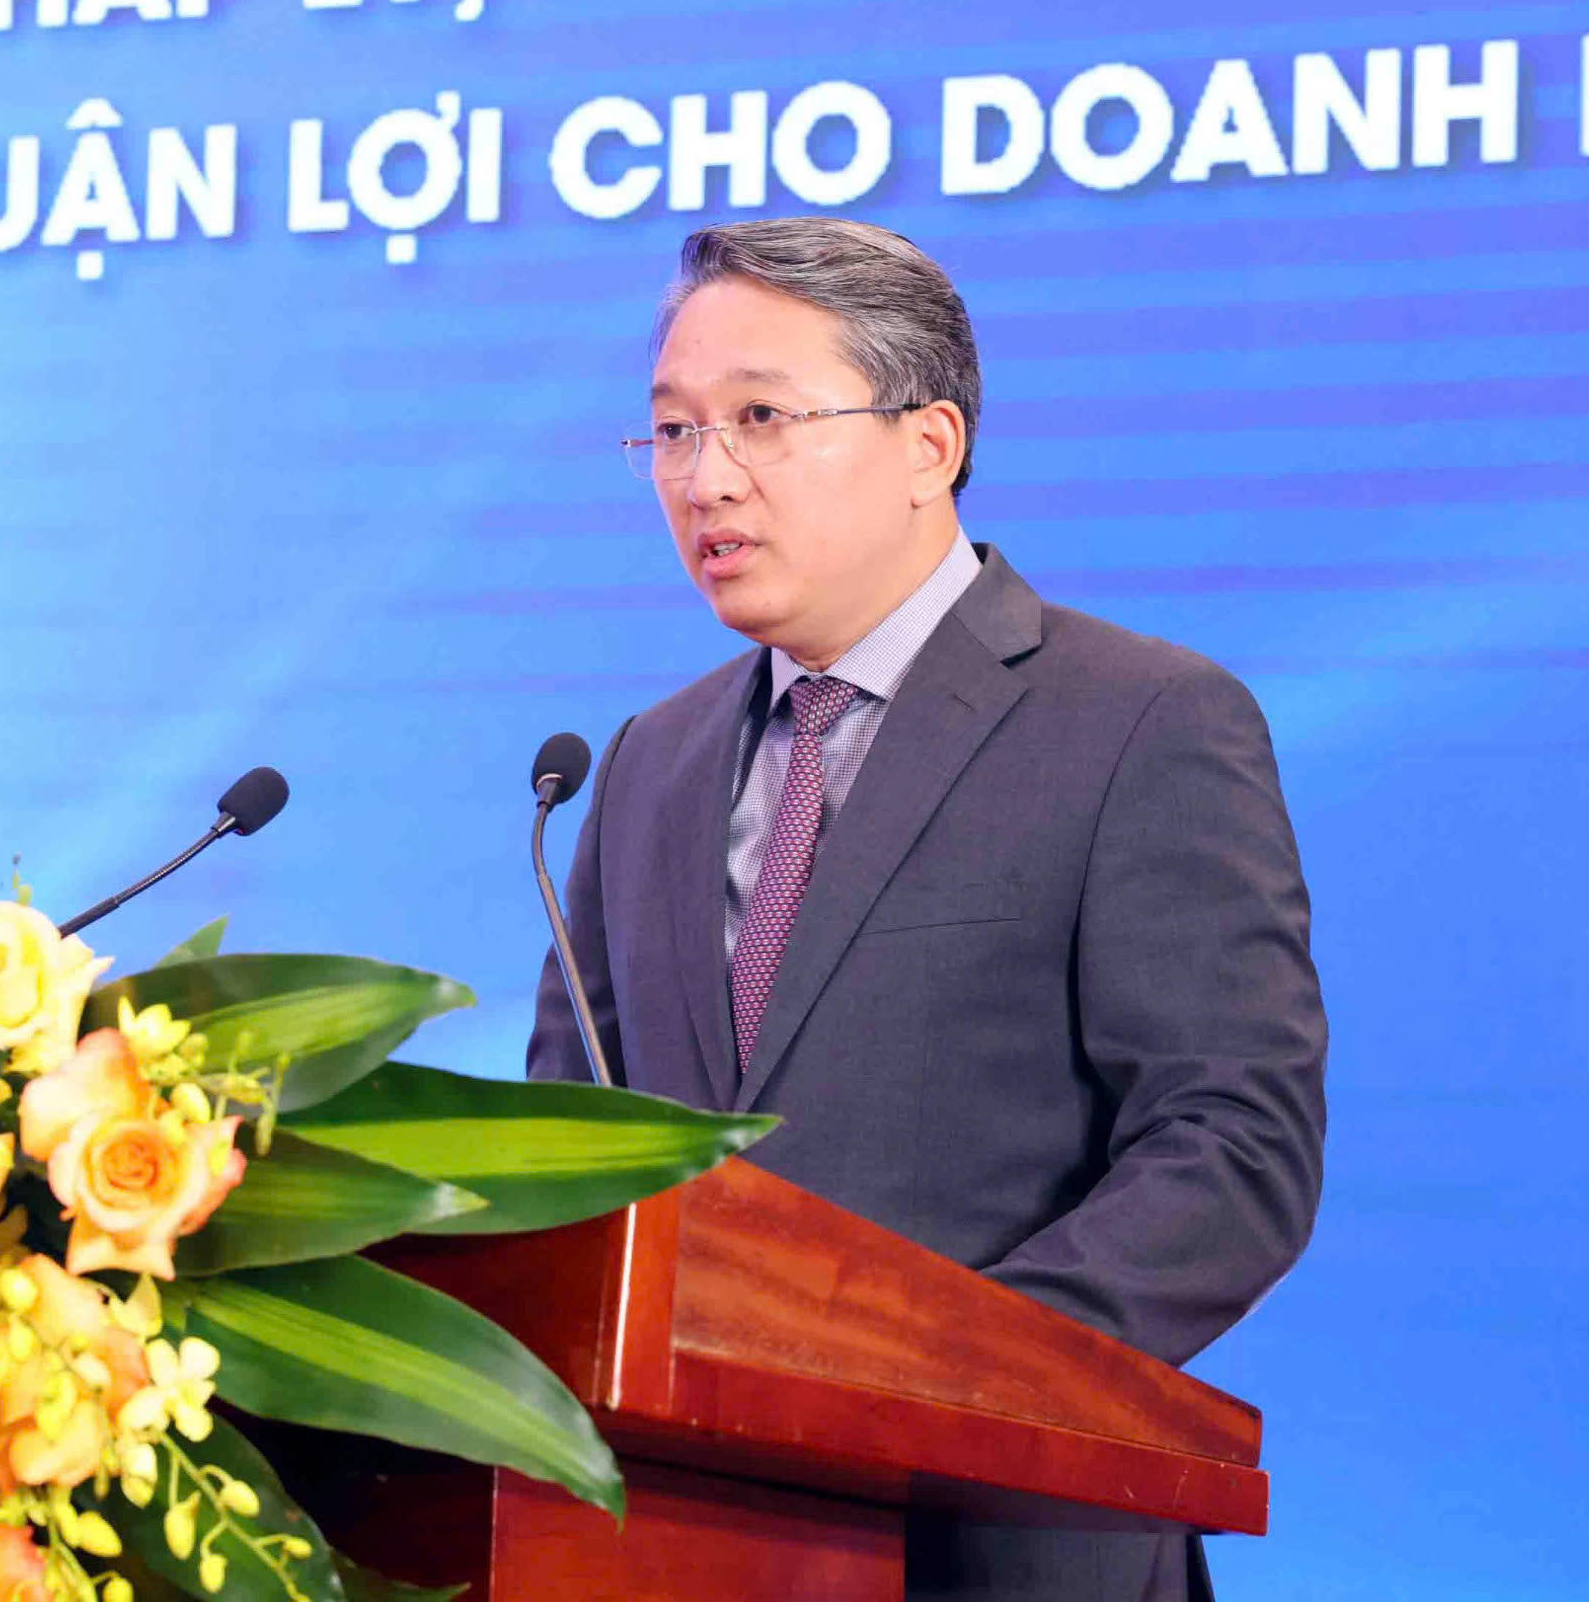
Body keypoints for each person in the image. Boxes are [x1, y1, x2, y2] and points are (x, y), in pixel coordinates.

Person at [526, 217, 1328, 1602]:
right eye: (673, 431)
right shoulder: (647, 763)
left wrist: (935, 1370)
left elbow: (1232, 1145)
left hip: (1004, 1543)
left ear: (928, 444)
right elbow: (569, 1145)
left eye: (760, 419)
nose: (705, 478)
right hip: (674, 1542)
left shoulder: (1141, 721)